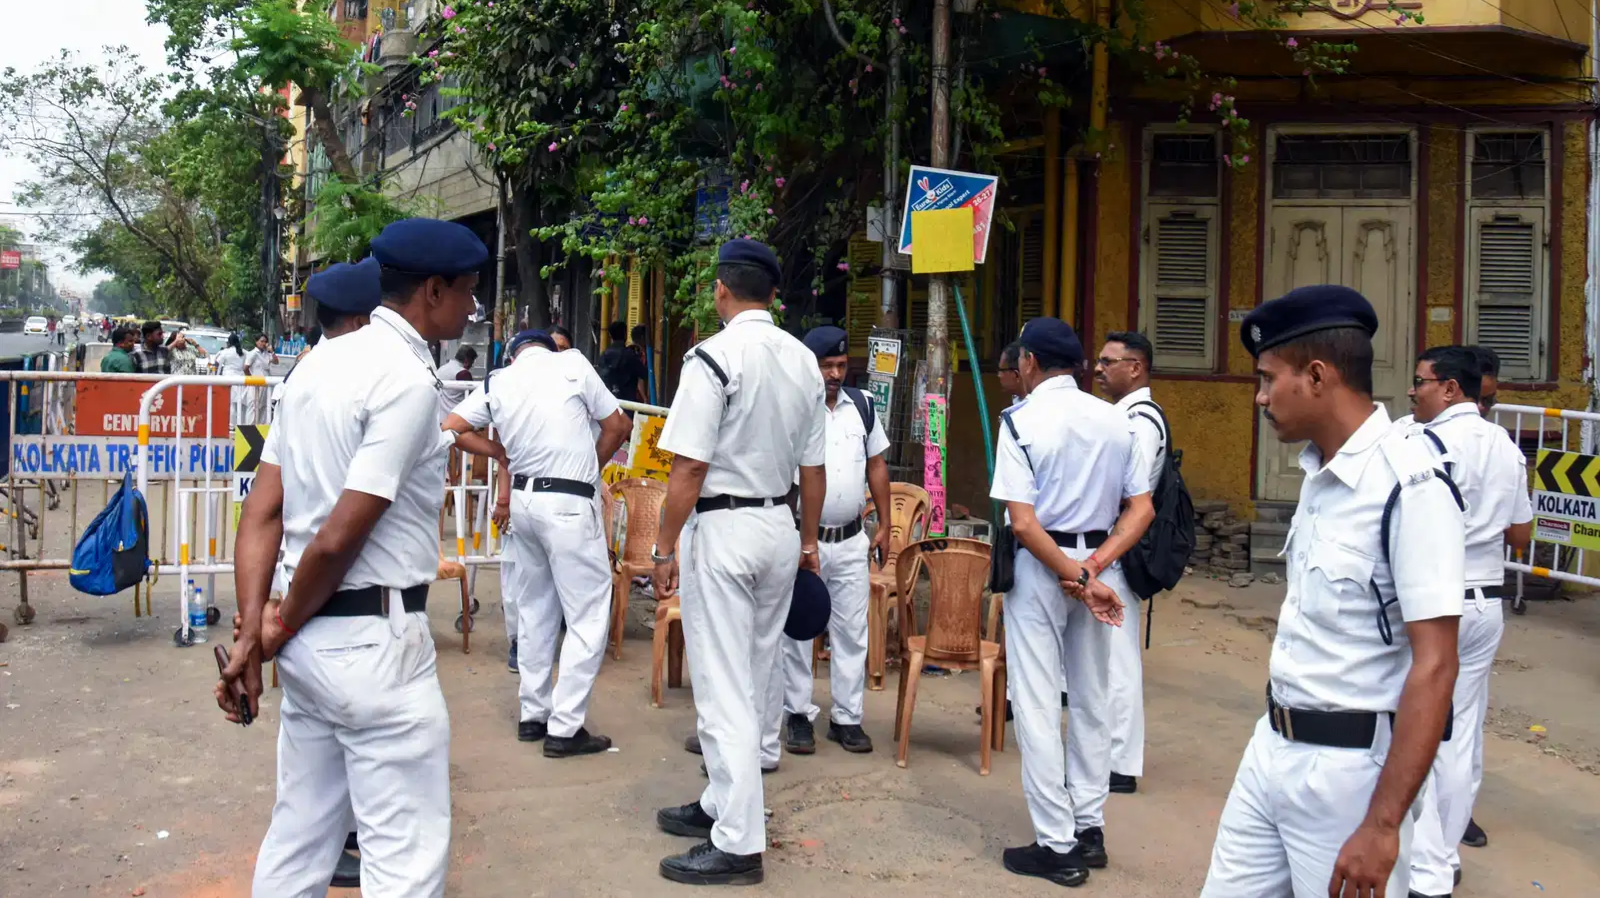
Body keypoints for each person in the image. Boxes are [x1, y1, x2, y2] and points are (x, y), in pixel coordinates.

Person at [215, 218, 485, 898]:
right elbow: (341, 535)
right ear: (432, 290)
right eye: (468, 294)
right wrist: (271, 630)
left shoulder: (316, 367)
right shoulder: (404, 380)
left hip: (313, 650)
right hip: (374, 645)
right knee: (404, 862)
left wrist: (256, 629)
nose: (472, 309)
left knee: (300, 838)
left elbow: (263, 511)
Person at [1200, 285, 1464, 897]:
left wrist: (1382, 824)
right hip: (1272, 746)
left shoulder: (1410, 484)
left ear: (1317, 376)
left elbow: (1436, 665)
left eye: (1267, 379)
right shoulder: (1320, 472)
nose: (1261, 398)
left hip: (1349, 777)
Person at [650, 238, 827, 886]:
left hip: (723, 528)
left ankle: (738, 843)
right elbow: (815, 469)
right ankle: (722, 803)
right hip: (780, 526)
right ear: (772, 294)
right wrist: (808, 543)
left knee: (723, 683)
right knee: (753, 676)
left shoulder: (713, 357)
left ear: (722, 291)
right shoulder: (804, 362)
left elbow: (689, 466)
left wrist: (661, 549)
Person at [990, 317, 1149, 888]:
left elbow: (1024, 524)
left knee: (1035, 699)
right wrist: (1093, 569)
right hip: (1094, 565)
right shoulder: (1114, 419)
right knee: (1091, 697)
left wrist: (1072, 574)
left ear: (1029, 362)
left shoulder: (1020, 421)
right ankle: (1090, 827)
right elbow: (1141, 508)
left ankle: (1057, 843)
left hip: (1044, 570)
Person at [445, 327, 631, 756]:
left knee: (534, 610)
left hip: (524, 505)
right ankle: (565, 727)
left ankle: (533, 714)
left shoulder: (499, 380)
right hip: (568, 503)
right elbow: (618, 424)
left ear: (513, 355)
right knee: (586, 613)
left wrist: (498, 455)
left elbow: (452, 427)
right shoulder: (573, 364)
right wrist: (590, 467)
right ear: (549, 350)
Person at [1400, 346, 1531, 898]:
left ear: (1451, 388)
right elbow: (1521, 535)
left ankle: (1417, 860)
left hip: (1432, 603)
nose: (1412, 391)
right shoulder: (1505, 445)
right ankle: (1443, 856)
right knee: (1461, 733)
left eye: (1420, 382)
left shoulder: (1419, 441)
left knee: (1412, 726)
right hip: (1484, 604)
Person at [762, 326, 892, 762]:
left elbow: (876, 466)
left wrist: (887, 523)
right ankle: (797, 713)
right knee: (799, 629)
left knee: (852, 629)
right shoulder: (796, 407)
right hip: (803, 538)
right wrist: (801, 541)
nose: (834, 374)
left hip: (852, 537)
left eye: (840, 366)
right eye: (826, 366)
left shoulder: (864, 406)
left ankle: (847, 718)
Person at [1091, 330, 1164, 796]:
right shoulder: (1122, 416)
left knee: (1117, 661)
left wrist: (1099, 560)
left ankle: (1121, 762)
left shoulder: (1140, 423)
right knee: (1101, 658)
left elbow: (1128, 495)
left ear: (1134, 367)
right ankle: (1106, 753)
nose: (1098, 369)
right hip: (1110, 550)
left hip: (1118, 550)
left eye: (1108, 361)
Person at [598, 320, 648, 406]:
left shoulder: (604, 355)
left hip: (607, 403)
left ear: (610, 336)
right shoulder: (630, 355)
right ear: (625, 334)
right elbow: (644, 374)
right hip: (627, 404)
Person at [242, 334, 278, 424]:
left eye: (265, 341)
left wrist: (272, 351)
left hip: (265, 384)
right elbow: (246, 368)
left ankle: (261, 428)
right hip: (255, 383)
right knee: (253, 405)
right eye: (261, 341)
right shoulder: (253, 353)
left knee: (264, 406)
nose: (263, 343)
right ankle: (249, 427)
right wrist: (251, 379)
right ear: (256, 342)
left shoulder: (266, 353)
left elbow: (276, 361)